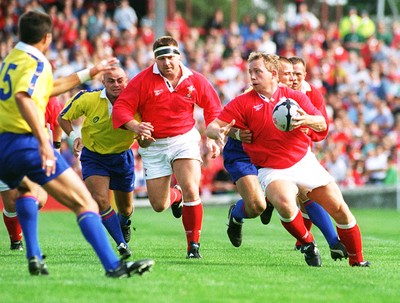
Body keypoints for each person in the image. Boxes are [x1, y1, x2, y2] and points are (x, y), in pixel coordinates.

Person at [0, 10, 154, 277]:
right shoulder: (37, 61)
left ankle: (34, 255)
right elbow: (25, 97)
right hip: (23, 142)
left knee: (25, 188)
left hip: (3, 146)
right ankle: (114, 266)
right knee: (85, 202)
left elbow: (50, 88)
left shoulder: (10, 60)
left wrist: (91, 71)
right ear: (47, 37)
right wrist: (43, 142)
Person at [206, 52, 370, 267]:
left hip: (303, 161)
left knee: (339, 208)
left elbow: (322, 124)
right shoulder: (243, 102)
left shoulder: (296, 97)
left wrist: (307, 119)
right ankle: (308, 243)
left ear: (273, 74)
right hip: (271, 169)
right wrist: (217, 132)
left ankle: (357, 261)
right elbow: (211, 126)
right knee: (283, 204)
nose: (252, 77)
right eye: (250, 72)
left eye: (258, 72)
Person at [112, 35, 222, 258]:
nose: (166, 62)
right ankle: (176, 197)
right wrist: (136, 127)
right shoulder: (142, 80)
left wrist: (211, 136)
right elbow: (121, 109)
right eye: (161, 58)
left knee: (192, 187)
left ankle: (193, 246)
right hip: (154, 144)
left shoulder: (195, 80)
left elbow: (213, 109)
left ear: (178, 56)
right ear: (155, 60)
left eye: (170, 57)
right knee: (159, 204)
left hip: (184, 138)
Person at [58, 66, 136, 259]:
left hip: (121, 156)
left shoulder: (138, 102)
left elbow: (146, 132)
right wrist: (75, 136)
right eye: (111, 81)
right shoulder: (88, 98)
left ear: (127, 81)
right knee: (100, 200)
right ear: (103, 82)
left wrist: (144, 139)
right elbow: (63, 117)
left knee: (125, 209)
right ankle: (121, 244)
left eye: (120, 80)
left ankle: (124, 223)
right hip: (94, 156)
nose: (116, 84)